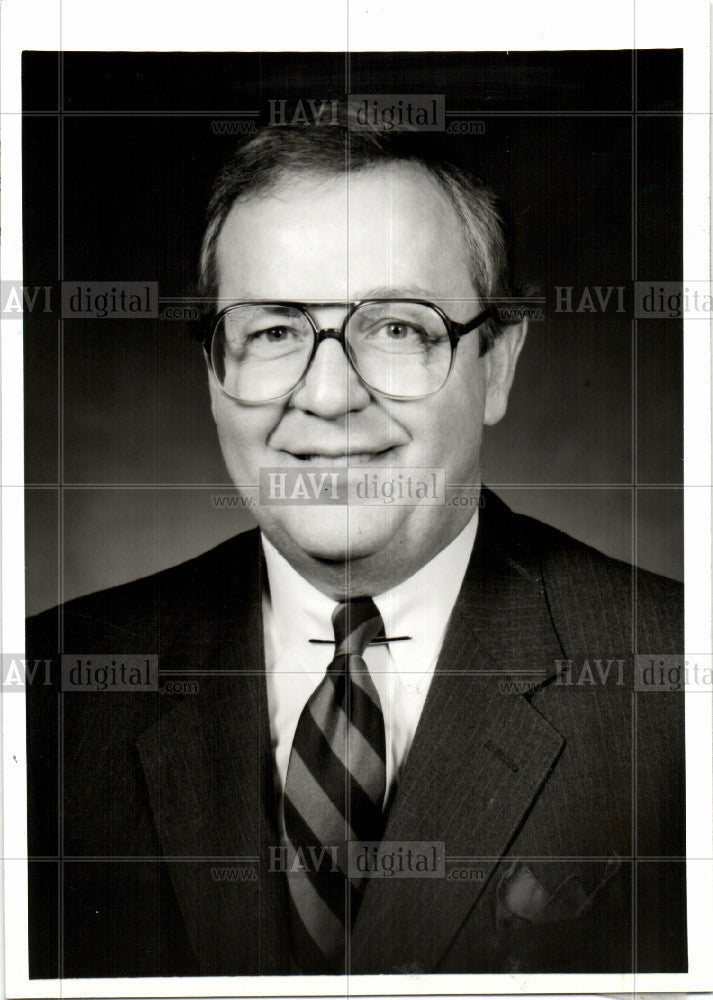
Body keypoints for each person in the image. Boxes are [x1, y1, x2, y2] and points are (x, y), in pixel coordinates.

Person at [26, 109, 686, 979]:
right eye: (272, 332)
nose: (330, 395)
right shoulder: (50, 691)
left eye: (398, 327)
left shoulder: (674, 682)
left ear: (496, 364)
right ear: (215, 374)